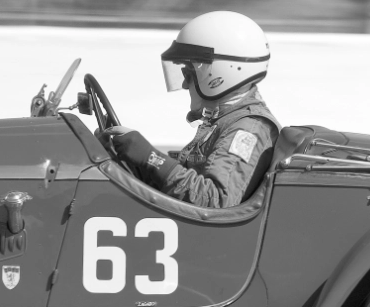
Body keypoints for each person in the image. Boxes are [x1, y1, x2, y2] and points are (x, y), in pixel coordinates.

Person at [103, 11, 281, 209]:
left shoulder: (248, 130)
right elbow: (194, 171)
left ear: (222, 73)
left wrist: (151, 158)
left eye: (188, 73)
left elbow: (215, 202)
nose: (186, 85)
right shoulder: (224, 118)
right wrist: (138, 160)